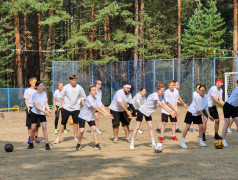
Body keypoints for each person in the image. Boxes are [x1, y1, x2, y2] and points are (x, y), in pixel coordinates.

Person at [76, 85, 114, 150]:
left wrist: (107, 113)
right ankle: (78, 144)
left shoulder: (96, 98)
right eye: (93, 90)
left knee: (94, 129)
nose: (95, 91)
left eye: (95, 90)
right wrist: (103, 113)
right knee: (81, 131)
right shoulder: (88, 98)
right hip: (83, 116)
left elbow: (101, 106)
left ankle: (96, 144)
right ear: (90, 92)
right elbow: (94, 107)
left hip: (90, 117)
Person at [54, 75, 86, 144]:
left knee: (75, 123)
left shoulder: (79, 87)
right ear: (70, 80)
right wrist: (62, 105)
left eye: (75, 80)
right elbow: (61, 97)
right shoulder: (66, 87)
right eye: (73, 80)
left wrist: (82, 104)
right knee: (63, 123)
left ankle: (75, 137)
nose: (75, 81)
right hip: (66, 108)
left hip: (76, 108)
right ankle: (58, 137)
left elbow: (83, 96)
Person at [27, 81, 52, 150]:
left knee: (44, 127)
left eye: (42, 86)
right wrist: (45, 112)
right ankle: (31, 143)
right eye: (40, 86)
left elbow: (46, 103)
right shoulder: (35, 95)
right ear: (37, 87)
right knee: (33, 128)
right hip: (34, 113)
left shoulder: (44, 94)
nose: (42, 87)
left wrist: (48, 110)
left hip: (42, 113)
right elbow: (36, 107)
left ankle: (47, 144)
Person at [23, 77, 40, 144]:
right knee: (29, 124)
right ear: (30, 83)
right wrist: (28, 107)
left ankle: (36, 137)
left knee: (37, 124)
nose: (34, 83)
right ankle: (30, 137)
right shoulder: (27, 90)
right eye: (33, 81)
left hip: (37, 108)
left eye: (35, 81)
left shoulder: (38, 90)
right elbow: (26, 99)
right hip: (30, 107)